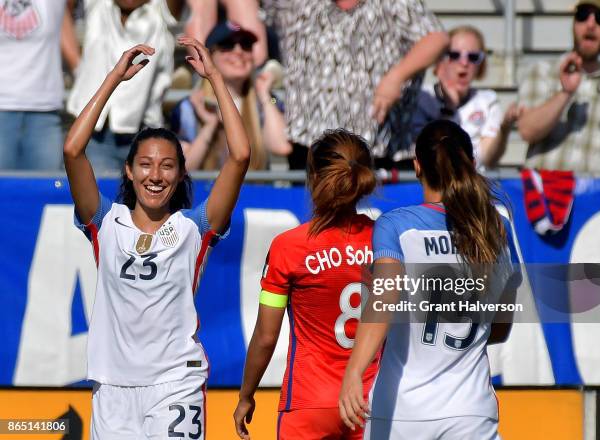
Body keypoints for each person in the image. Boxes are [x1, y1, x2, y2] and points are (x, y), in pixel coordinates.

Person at [63, 37, 250, 439]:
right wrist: (114, 78)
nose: (155, 175)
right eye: (145, 164)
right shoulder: (103, 221)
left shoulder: (195, 227)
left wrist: (215, 77)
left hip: (175, 386)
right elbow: (73, 150)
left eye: (167, 166)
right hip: (111, 387)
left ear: (182, 175)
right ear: (128, 171)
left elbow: (239, 155)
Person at [339, 120, 522, 439]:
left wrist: (354, 371)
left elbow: (384, 298)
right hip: (471, 411)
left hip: (403, 410)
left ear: (417, 166)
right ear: (471, 164)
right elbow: (501, 326)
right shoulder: (495, 225)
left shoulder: (395, 225)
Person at [233, 129, 381, 440]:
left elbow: (265, 336)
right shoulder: (386, 238)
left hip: (309, 404)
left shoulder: (290, 246)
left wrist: (246, 394)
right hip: (372, 401)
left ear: (314, 177)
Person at [261, 0, 449, 170]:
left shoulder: (395, 3)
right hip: (309, 149)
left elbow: (436, 38)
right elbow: (251, 14)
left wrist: (396, 77)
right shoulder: (296, 4)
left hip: (376, 151)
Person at [66, 0, 182, 173]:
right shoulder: (98, 6)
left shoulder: (160, 11)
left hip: (145, 135)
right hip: (95, 135)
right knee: (97, 199)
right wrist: (77, 66)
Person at [172, 20, 290, 171]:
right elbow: (183, 169)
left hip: (254, 192)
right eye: (227, 45)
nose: (239, 51)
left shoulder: (262, 101)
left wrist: (264, 95)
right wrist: (210, 125)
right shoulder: (189, 106)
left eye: (246, 45)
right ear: (209, 56)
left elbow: (281, 147)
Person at [517, 0, 600, 175]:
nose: (590, 25)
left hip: (598, 198)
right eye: (582, 15)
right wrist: (565, 93)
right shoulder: (543, 71)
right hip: (543, 196)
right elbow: (527, 131)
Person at [411, 26, 522, 170]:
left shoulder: (487, 101)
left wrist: (504, 129)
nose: (464, 63)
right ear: (439, 60)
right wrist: (449, 109)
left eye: (473, 57)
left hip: (472, 186)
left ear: (480, 65)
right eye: (454, 55)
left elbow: (487, 159)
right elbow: (427, 157)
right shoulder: (421, 98)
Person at [0, 0, 78, 170]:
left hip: (45, 113)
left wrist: (80, 71)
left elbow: (63, 19)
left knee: (44, 190)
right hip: (2, 110)